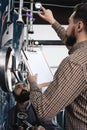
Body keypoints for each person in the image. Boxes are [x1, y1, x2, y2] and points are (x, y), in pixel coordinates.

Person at [28, 3, 87, 130]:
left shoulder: (75, 63)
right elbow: (72, 42)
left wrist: (33, 84)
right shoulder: (83, 54)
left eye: (69, 23)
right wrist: (52, 21)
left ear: (79, 26)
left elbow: (44, 112)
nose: (67, 28)